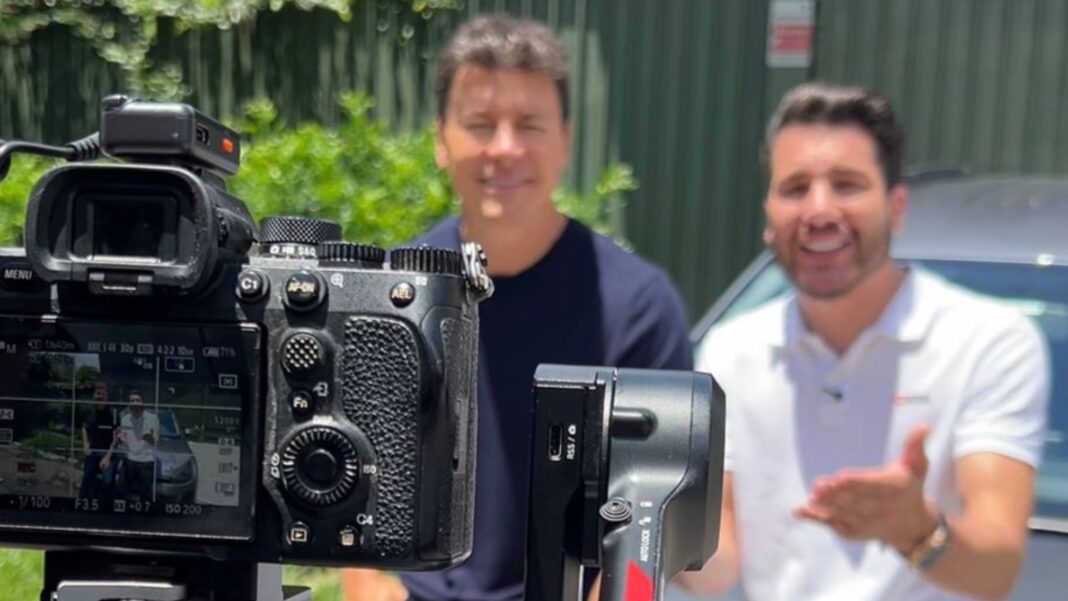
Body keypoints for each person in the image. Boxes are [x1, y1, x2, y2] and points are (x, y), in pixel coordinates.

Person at [342, 14, 693, 601]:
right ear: (441, 139)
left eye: (529, 125)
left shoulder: (638, 308)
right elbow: (355, 467)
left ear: (566, 140)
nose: (504, 149)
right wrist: (367, 584)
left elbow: (655, 521)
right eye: (480, 124)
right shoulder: (390, 294)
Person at [676, 82, 1050, 600]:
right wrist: (652, 528)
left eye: (847, 185)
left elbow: (997, 569)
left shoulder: (991, 342)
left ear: (897, 208)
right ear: (768, 217)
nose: (819, 210)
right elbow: (719, 565)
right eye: (795, 188)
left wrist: (916, 530)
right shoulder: (731, 350)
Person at [78, 380, 120, 501]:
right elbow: (84, 427)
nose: (100, 396)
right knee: (86, 478)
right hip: (93, 451)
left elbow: (117, 437)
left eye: (103, 394)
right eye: (98, 393)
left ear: (107, 396)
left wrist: (107, 457)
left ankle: (104, 506)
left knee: (107, 481)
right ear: (94, 395)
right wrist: (85, 443)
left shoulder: (113, 413)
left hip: (108, 452)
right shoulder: (89, 410)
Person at [117, 390, 159, 503]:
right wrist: (121, 439)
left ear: (142, 403)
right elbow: (123, 439)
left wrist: (148, 437)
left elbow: (155, 442)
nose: (135, 402)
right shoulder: (125, 419)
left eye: (137, 400)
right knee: (120, 490)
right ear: (129, 404)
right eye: (132, 400)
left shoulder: (152, 418)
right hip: (129, 458)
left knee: (145, 495)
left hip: (146, 460)